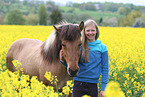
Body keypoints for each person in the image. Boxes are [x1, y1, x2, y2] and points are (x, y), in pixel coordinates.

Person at [60, 19, 109, 97]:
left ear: (96, 31)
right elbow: (73, 66)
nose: (90, 33)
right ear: (84, 31)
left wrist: (103, 88)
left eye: (93, 30)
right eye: (88, 30)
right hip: (78, 84)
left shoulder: (102, 47)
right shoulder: (79, 46)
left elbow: (105, 69)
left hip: (93, 85)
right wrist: (62, 61)